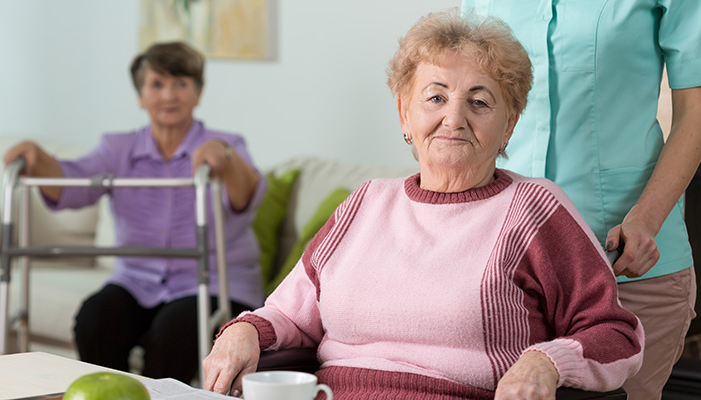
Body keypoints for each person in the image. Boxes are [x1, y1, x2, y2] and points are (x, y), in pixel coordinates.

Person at [202, 11, 643, 399]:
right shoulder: (365, 202)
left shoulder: (533, 208)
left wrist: (545, 362)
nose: (454, 118)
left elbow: (616, 333)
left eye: (479, 102)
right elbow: (287, 312)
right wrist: (244, 330)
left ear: (509, 125)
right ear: (404, 113)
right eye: (435, 97)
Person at [459, 1, 701, 397]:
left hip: (628, 270)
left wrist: (645, 220)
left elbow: (695, 110)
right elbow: (464, 99)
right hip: (503, 269)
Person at [3, 42, 267, 383]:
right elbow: (70, 185)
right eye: (157, 84)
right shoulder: (117, 148)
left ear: (198, 94)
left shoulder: (227, 143)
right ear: (141, 97)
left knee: (173, 331)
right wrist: (38, 158)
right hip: (136, 280)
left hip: (213, 281)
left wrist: (223, 156)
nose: (169, 95)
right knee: (94, 319)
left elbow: (247, 195)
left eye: (181, 84)